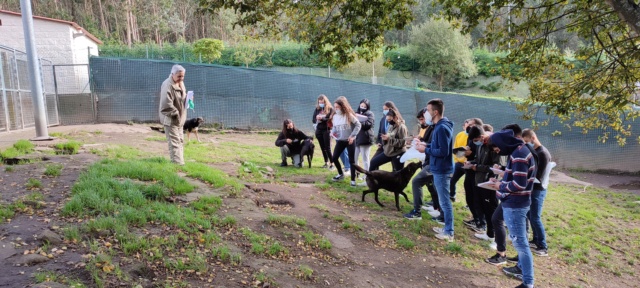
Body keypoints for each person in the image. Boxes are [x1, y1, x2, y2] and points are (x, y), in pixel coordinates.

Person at [488, 129, 537, 288]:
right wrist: (503, 175)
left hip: (515, 204)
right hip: (516, 202)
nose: (497, 150)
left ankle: (528, 283)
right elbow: (516, 177)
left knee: (521, 244)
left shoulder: (519, 155)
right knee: (521, 243)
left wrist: (499, 185)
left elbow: (519, 184)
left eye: (496, 146)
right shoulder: (519, 151)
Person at [421, 99, 455, 241]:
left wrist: (426, 149)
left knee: (445, 202)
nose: (426, 113)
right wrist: (425, 144)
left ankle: (449, 231)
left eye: (428, 110)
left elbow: (443, 151)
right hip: (438, 168)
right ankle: (446, 227)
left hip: (442, 170)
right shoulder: (438, 126)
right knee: (443, 201)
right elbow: (438, 146)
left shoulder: (442, 128)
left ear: (435, 112)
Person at [467, 125, 501, 249]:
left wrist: (478, 167)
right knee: (483, 208)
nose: (476, 143)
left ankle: (498, 241)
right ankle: (489, 234)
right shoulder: (481, 147)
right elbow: (479, 160)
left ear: (481, 137)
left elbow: (496, 167)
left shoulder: (493, 146)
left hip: (490, 183)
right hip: (479, 182)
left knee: (492, 211)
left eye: (476, 140)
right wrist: (471, 163)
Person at [403, 108, 438, 220]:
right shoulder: (431, 127)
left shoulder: (439, 128)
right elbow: (427, 140)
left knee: (417, 181)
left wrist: (424, 147)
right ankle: (438, 210)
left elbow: (439, 148)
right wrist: (419, 141)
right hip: (429, 161)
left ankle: (418, 212)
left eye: (424, 118)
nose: (422, 121)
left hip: (434, 163)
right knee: (431, 184)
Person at [522, 128, 552, 257]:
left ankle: (543, 246)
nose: (526, 144)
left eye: (527, 141)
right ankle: (535, 240)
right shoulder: (535, 151)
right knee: (530, 216)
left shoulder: (542, 153)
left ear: (533, 138)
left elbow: (538, 176)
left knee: (535, 217)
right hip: (532, 188)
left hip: (538, 190)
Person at [159, 64, 188, 165]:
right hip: (171, 119)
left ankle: (180, 163)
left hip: (180, 119)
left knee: (180, 141)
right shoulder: (167, 85)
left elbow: (182, 99)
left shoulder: (181, 83)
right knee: (174, 143)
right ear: (172, 74)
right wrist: (176, 114)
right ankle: (178, 166)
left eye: (183, 76)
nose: (181, 78)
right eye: (179, 76)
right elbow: (165, 105)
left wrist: (188, 100)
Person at [330, 96, 362, 186]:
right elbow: (335, 128)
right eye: (335, 107)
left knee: (352, 160)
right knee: (334, 158)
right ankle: (340, 174)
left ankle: (353, 180)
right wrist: (332, 133)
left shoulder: (348, 115)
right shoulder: (335, 117)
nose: (336, 109)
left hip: (350, 140)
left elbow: (358, 125)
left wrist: (352, 136)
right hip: (340, 140)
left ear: (342, 107)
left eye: (338, 107)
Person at [450, 119, 471, 202]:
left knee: (468, 185)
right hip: (459, 163)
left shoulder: (473, 138)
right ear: (463, 127)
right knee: (452, 180)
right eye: (467, 127)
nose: (468, 129)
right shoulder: (459, 135)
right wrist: (456, 160)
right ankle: (452, 195)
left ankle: (469, 202)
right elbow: (455, 148)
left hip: (468, 165)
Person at [354, 99, 375, 183]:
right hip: (357, 139)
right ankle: (357, 172)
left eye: (364, 106)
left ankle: (367, 176)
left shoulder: (370, 114)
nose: (362, 107)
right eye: (361, 105)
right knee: (355, 158)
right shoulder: (357, 113)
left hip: (366, 139)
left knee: (365, 159)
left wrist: (358, 121)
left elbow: (368, 125)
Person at [313, 94, 335, 169]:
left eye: (322, 102)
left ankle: (332, 163)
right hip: (319, 130)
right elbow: (313, 119)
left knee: (327, 147)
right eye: (319, 102)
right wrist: (317, 118)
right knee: (322, 147)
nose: (321, 103)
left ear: (325, 102)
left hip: (327, 130)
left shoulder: (330, 109)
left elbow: (330, 119)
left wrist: (322, 118)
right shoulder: (317, 109)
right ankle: (326, 162)